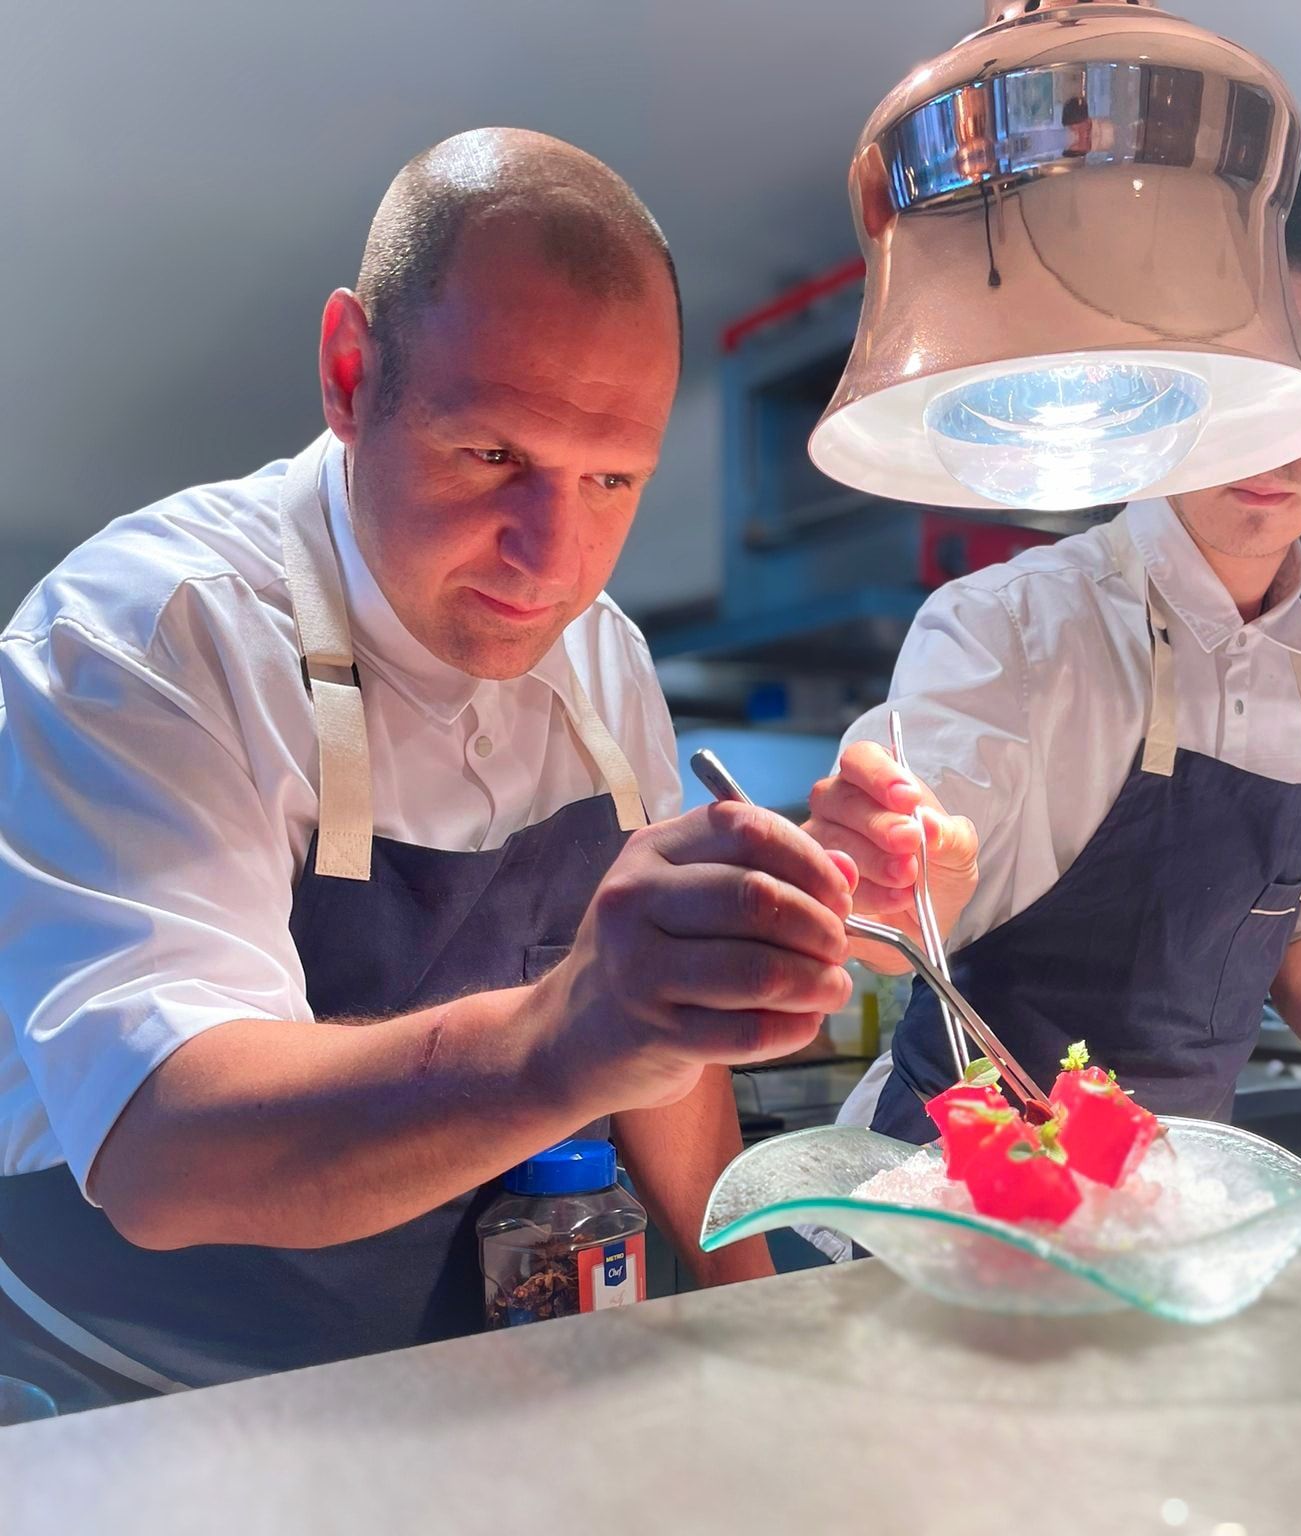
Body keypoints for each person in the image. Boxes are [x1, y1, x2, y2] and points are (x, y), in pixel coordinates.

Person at [0, 129, 857, 1409]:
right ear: (351, 373)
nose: (549, 563)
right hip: (141, 1398)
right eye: (492, 455)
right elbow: (165, 1151)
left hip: (458, 1380)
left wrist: (768, 1326)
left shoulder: (603, 655)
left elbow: (663, 1055)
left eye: (613, 479)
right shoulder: (141, 635)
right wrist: (567, 1034)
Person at [807, 166, 1301, 1161]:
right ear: (1177, 370)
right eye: (1250, 373)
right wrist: (884, 878)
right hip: (952, 1193)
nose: (1278, 433)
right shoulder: (1008, 625)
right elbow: (904, 890)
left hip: (1179, 1209)